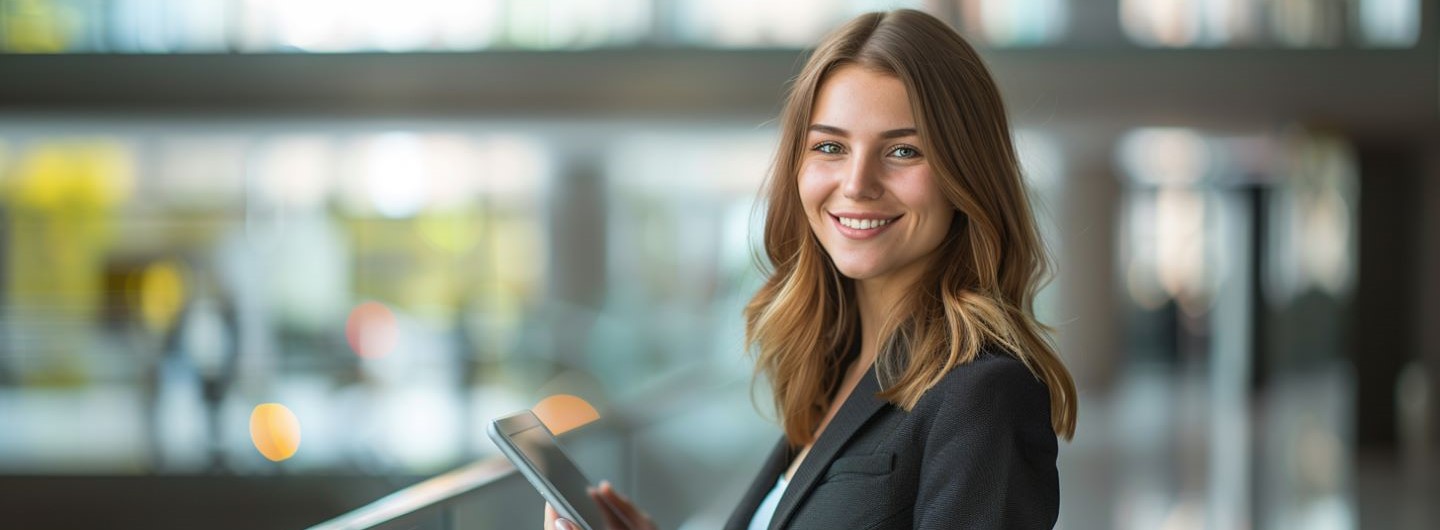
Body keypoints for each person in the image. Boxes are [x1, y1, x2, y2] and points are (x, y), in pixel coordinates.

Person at [546, 8, 1077, 530]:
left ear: (967, 173)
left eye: (903, 150)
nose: (857, 183)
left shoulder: (984, 394)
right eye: (829, 146)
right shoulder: (835, 368)